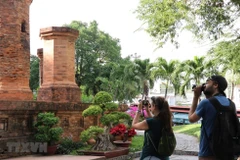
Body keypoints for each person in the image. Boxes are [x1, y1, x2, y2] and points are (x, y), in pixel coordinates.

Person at [188, 75, 236, 160]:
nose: (204, 85)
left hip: (207, 153)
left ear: (215, 85)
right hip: (227, 151)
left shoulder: (206, 103)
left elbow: (191, 119)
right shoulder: (231, 104)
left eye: (207, 82)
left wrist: (195, 97)